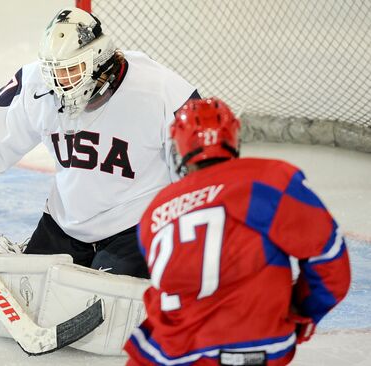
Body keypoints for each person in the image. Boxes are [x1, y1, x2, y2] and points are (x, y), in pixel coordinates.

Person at [0, 7, 200, 278]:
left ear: (98, 59)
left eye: (71, 70)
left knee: (106, 302)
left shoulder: (160, 91)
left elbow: (203, 174)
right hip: (64, 224)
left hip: (134, 229)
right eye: (54, 72)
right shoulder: (39, 85)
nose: (60, 83)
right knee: (29, 290)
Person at [124, 98, 351, 365]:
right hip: (254, 346)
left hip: (168, 352)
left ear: (179, 149)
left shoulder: (157, 209)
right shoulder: (269, 179)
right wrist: (302, 312)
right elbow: (330, 261)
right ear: (234, 139)